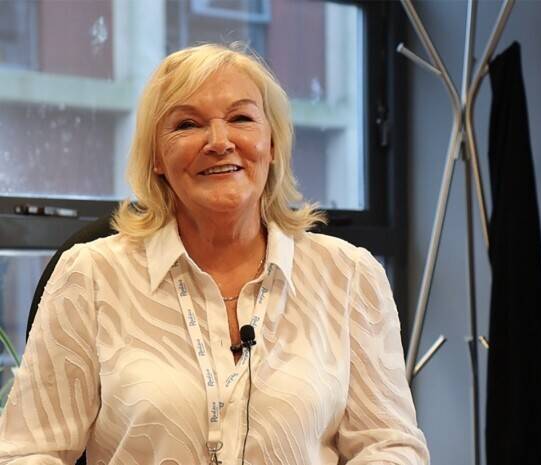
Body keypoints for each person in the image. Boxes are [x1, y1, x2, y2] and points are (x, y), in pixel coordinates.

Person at [0, 43, 429, 465]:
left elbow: (389, 446)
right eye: (187, 125)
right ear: (157, 158)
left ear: (273, 144)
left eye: (241, 118)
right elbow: (27, 450)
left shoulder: (350, 276)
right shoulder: (90, 276)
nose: (219, 142)